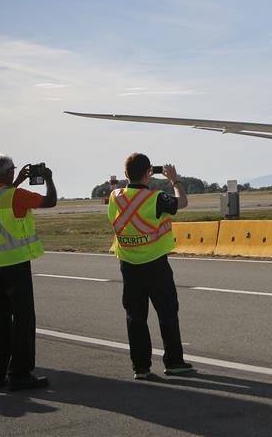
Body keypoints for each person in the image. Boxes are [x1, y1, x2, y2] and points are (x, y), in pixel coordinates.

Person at [108, 153, 194, 380]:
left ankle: (141, 367)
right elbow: (182, 202)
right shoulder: (156, 198)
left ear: (126, 173)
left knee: (135, 317)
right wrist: (174, 180)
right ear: (149, 173)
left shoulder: (115, 196)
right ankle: (174, 362)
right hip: (155, 264)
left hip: (128, 264)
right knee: (167, 313)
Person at [0, 154, 56, 391]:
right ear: (9, 172)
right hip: (15, 263)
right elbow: (50, 201)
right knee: (23, 320)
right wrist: (49, 179)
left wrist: (16, 181)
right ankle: (20, 373)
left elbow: (4, 197)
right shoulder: (16, 195)